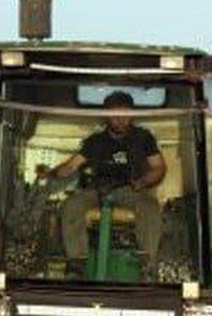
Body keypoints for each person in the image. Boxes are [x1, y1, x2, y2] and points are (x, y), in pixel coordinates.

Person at [38, 92, 166, 277]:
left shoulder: (143, 138)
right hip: (96, 190)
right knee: (71, 206)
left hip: (130, 189)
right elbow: (71, 166)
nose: (121, 121)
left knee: (150, 208)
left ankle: (147, 265)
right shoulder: (95, 141)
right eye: (115, 116)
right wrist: (50, 173)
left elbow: (158, 167)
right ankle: (77, 263)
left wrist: (143, 181)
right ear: (106, 115)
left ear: (132, 115)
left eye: (125, 116)